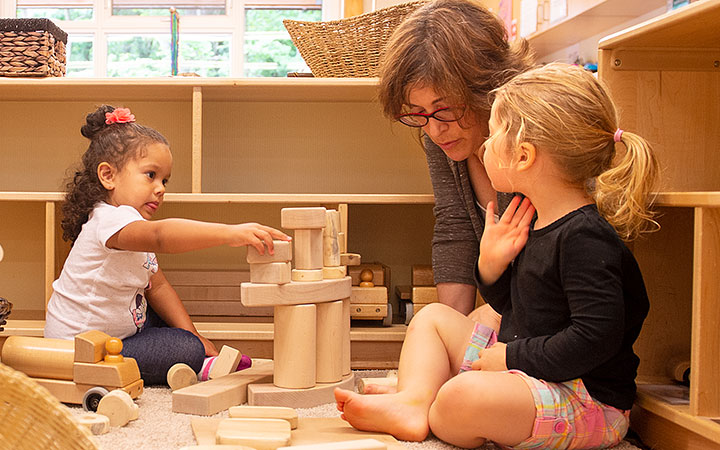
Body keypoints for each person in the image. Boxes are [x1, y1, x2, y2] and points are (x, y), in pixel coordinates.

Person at [334, 62, 658, 449]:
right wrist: (491, 267)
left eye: (496, 133)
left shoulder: (585, 238)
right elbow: (518, 308)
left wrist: (512, 358)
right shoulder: (534, 218)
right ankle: (413, 402)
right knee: (433, 318)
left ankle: (431, 402)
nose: (485, 145)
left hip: (584, 399)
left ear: (523, 156)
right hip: (531, 372)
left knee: (460, 397)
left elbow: (595, 338)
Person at [44, 105, 291, 385]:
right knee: (182, 348)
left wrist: (193, 333)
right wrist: (230, 233)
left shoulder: (134, 226)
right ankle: (197, 363)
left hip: (117, 331)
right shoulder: (110, 220)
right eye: (151, 175)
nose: (161, 188)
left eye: (164, 180)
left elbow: (158, 287)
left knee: (172, 327)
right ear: (108, 176)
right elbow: (161, 236)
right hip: (81, 349)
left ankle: (194, 353)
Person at [378, 0, 534, 317]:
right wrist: (453, 328)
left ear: (486, 87)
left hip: (548, 324)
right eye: (418, 112)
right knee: (435, 323)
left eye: (446, 108)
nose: (434, 130)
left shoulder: (533, 133)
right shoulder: (442, 133)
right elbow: (455, 229)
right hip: (516, 318)